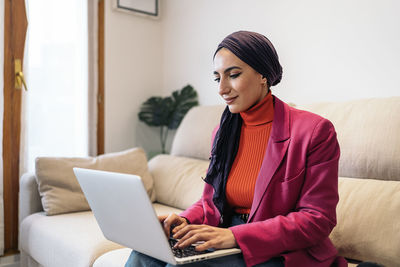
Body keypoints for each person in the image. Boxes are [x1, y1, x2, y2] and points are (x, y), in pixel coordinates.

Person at [125, 31, 347, 267]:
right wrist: (183, 221)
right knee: (143, 255)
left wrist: (234, 236)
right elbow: (211, 203)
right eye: (217, 78)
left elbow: (317, 220)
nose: (222, 89)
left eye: (233, 75)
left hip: (279, 250)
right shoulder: (223, 134)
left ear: (263, 74)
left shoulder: (314, 131)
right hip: (226, 233)